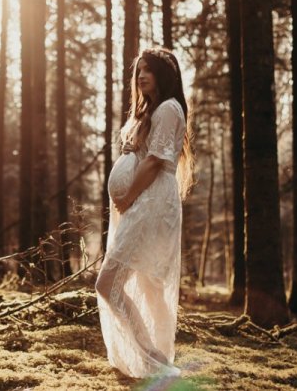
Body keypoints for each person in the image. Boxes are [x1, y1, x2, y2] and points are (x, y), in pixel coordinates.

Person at [95, 47, 194, 379]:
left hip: (150, 202)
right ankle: (157, 359)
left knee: (109, 283)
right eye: (138, 71)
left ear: (163, 75)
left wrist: (129, 197)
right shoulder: (151, 110)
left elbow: (154, 162)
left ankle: (155, 360)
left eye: (148, 70)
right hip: (143, 201)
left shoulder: (168, 108)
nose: (141, 76)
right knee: (145, 286)